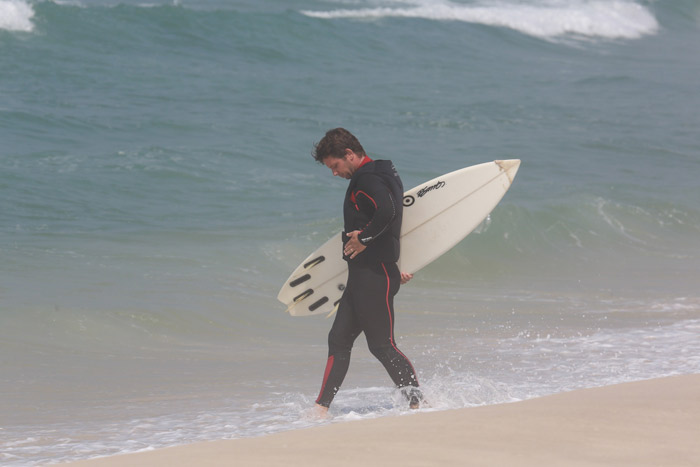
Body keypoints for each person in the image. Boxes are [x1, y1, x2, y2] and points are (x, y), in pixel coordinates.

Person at [311, 128, 423, 416]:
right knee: (339, 340)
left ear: (350, 154)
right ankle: (321, 408)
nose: (334, 174)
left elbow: (388, 212)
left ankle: (417, 401)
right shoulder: (382, 172)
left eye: (335, 166)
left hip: (375, 275)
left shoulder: (367, 179)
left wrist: (363, 239)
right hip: (369, 274)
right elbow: (393, 217)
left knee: (382, 346)